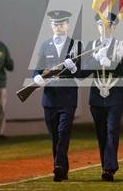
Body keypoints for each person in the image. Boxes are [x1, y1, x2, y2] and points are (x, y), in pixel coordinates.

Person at [32, 10, 82, 182]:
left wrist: (74, 68)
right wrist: (36, 77)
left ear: (67, 25)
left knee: (63, 131)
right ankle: (62, 169)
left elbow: (82, 72)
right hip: (50, 97)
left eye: (61, 23)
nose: (58, 27)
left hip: (68, 96)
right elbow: (38, 68)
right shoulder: (45, 45)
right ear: (51, 26)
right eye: (55, 24)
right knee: (55, 134)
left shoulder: (75, 45)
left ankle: (58, 166)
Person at [80, 13, 123, 181]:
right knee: (101, 132)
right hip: (96, 95)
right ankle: (106, 165)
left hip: (115, 94)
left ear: (114, 27)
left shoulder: (122, 45)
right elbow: (83, 72)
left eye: (107, 25)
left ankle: (109, 168)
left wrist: (110, 63)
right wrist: (93, 59)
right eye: (100, 25)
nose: (104, 28)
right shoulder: (91, 45)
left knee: (111, 129)